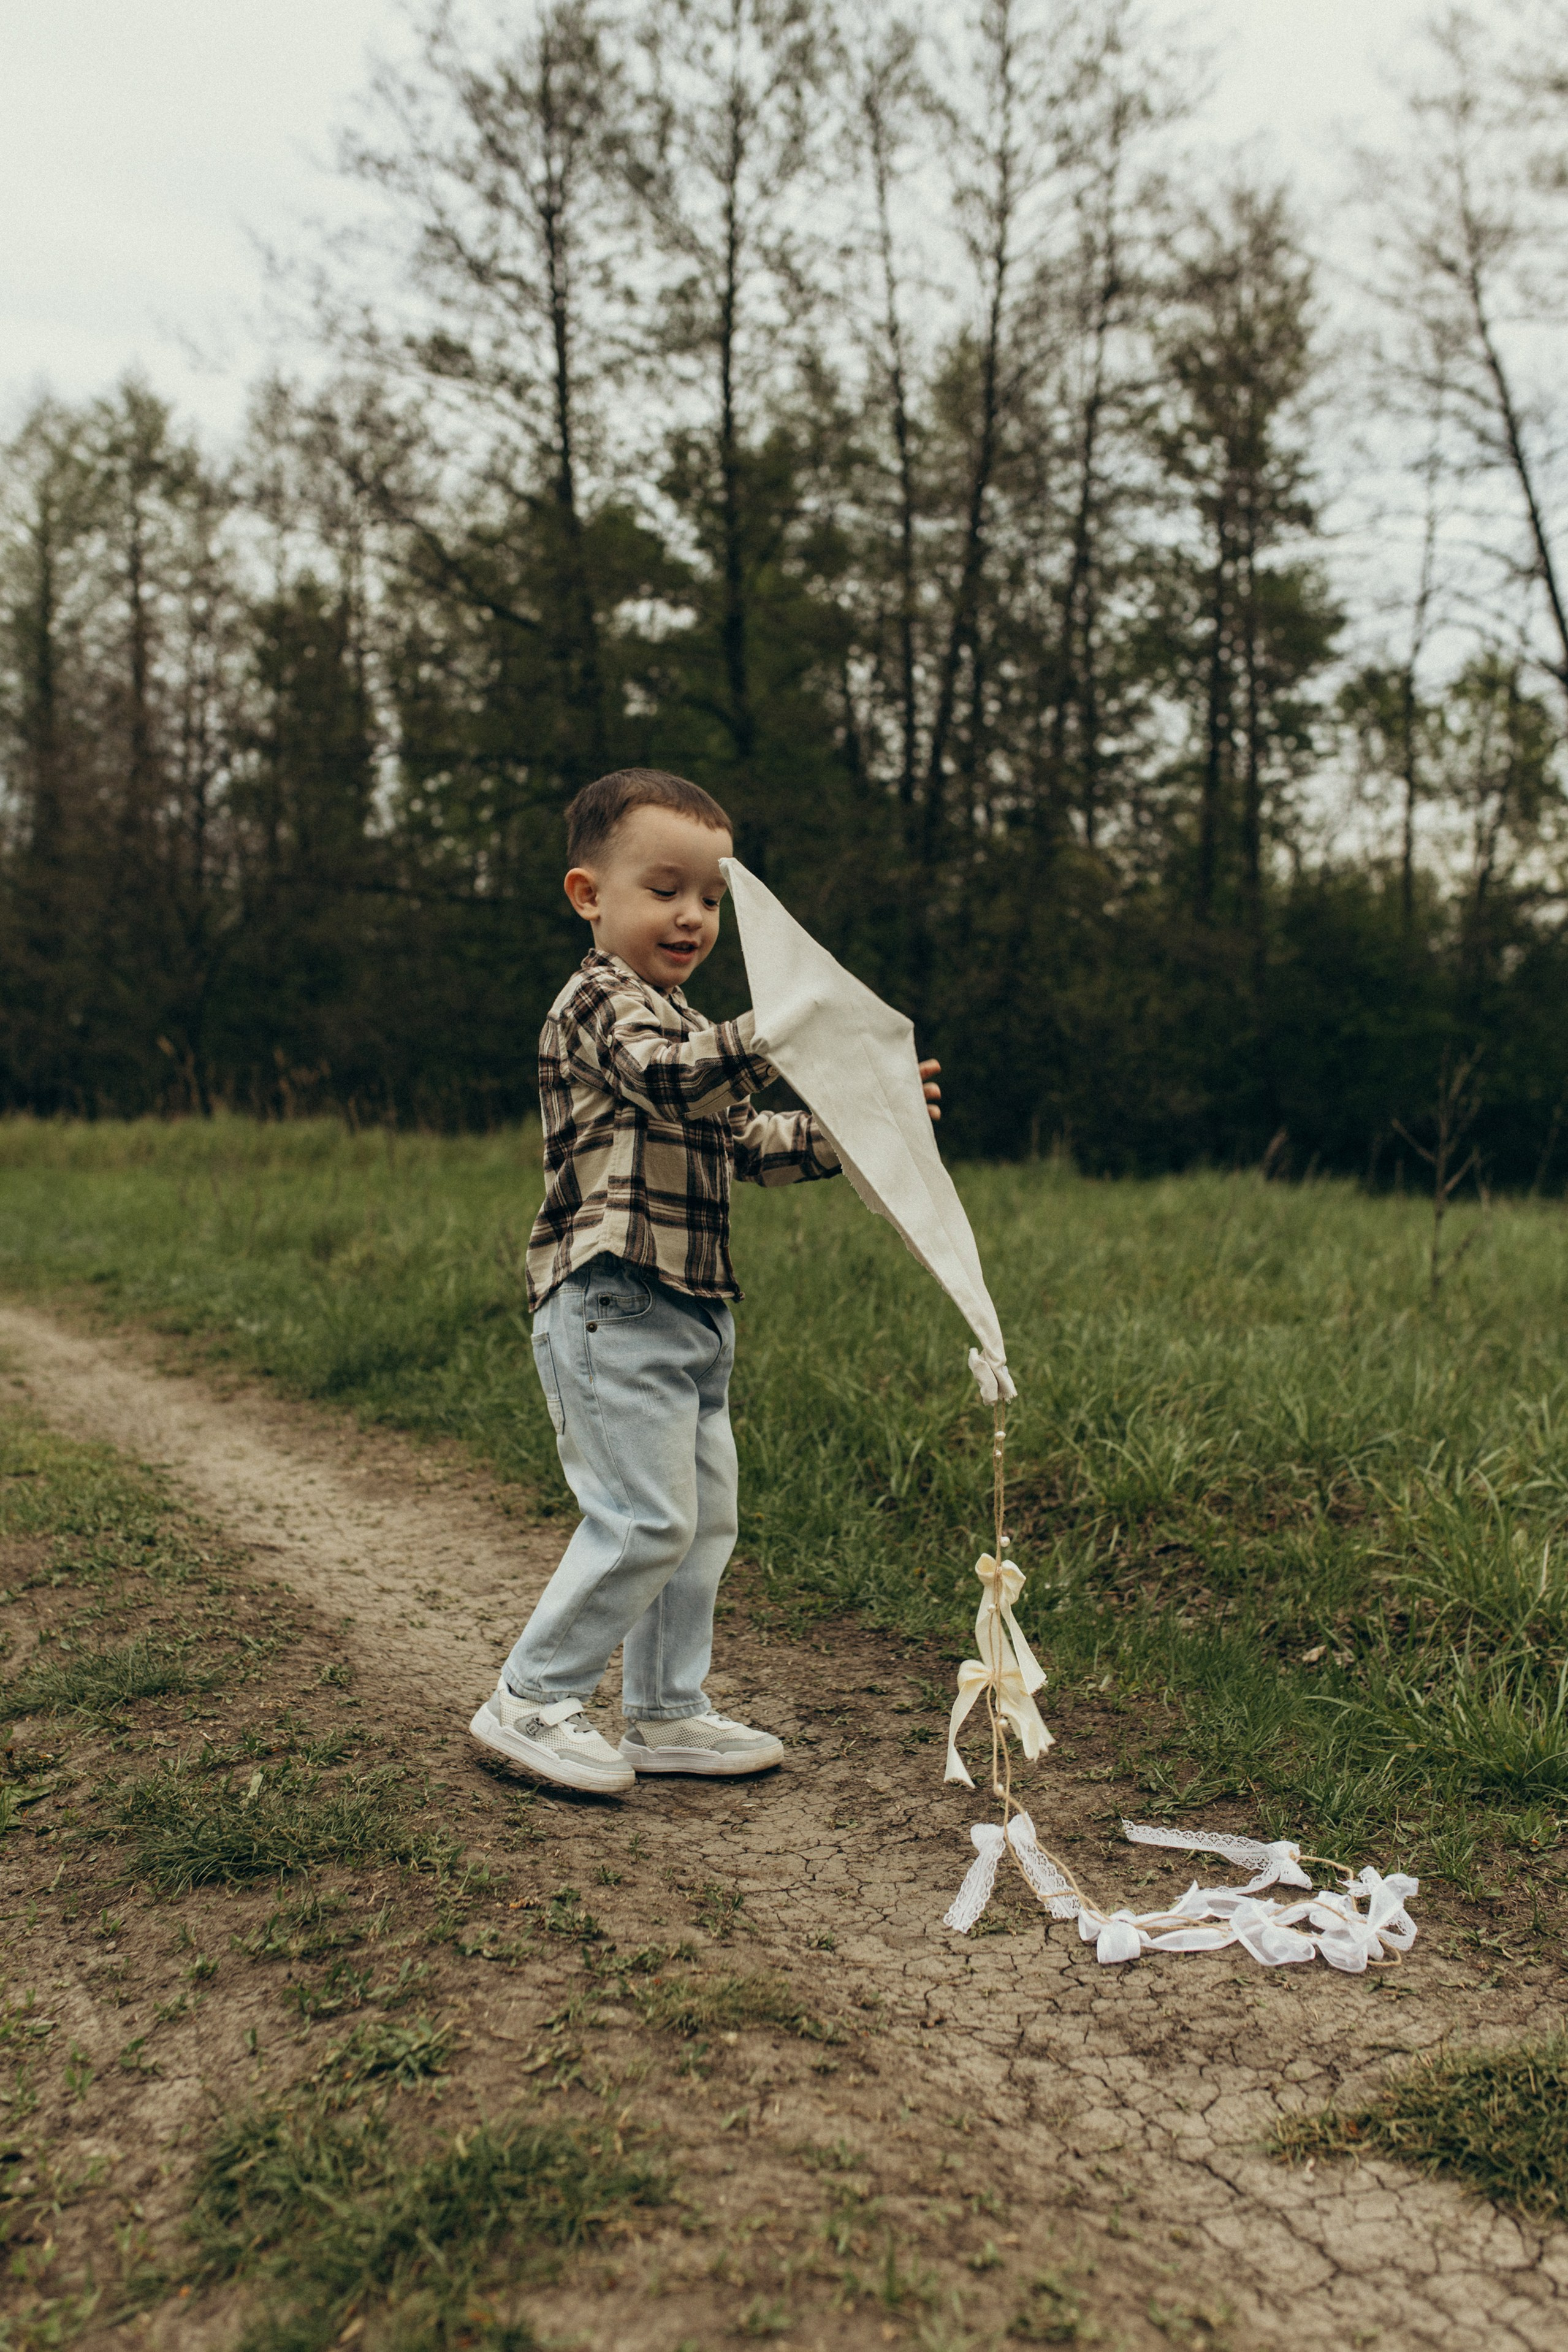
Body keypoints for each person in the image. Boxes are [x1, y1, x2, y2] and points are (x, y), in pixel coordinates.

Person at [468, 768, 941, 1795]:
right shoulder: (598, 1000)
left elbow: (741, 1141)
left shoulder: (685, 1016)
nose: (692, 916)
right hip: (610, 1298)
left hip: (693, 1308)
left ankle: (666, 1714)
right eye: (665, 888)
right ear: (588, 895)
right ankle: (532, 1698)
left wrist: (854, 1130)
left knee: (698, 1527)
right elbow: (669, 1082)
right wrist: (777, 1030)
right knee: (642, 1519)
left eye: (712, 898)